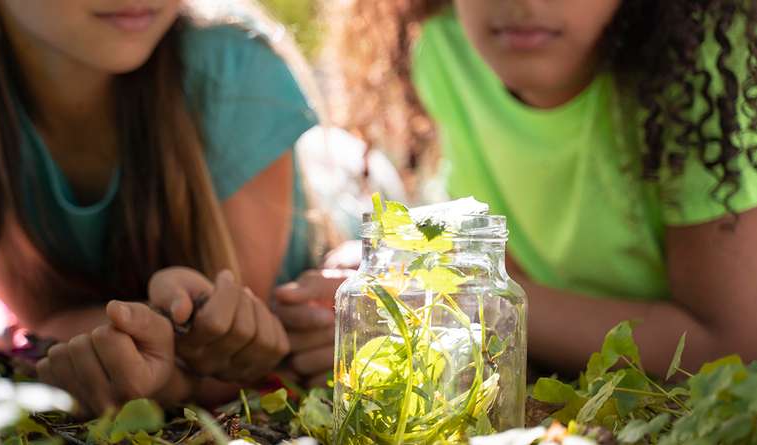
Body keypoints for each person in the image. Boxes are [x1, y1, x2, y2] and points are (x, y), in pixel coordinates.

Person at [282, 0, 757, 381]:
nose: (524, 4)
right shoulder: (450, 48)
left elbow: (729, 344)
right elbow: (507, 268)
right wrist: (393, 283)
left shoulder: (705, 70)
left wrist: (453, 299)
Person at [0, 0, 317, 414]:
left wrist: (160, 355)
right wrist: (133, 349)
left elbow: (228, 360)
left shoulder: (235, 69)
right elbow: (47, 318)